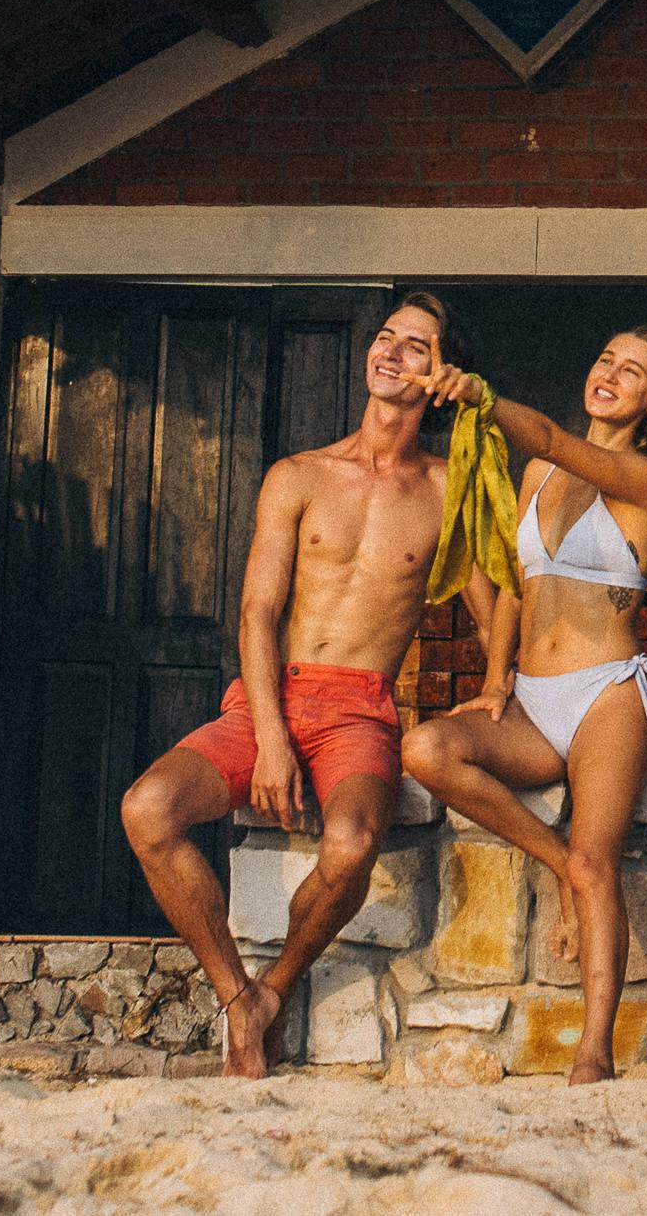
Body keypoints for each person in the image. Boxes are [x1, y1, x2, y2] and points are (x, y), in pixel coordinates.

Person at [118, 291, 452, 1078]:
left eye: (415, 345)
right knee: (148, 808)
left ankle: (276, 985)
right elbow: (257, 611)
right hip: (272, 694)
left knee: (353, 842)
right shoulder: (299, 473)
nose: (390, 351)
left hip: (360, 708)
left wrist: (498, 680)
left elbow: (499, 595)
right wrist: (270, 734)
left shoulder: (446, 491)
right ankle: (241, 998)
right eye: (384, 336)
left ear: (442, 375)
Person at [405, 327, 647, 1084]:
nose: (609, 373)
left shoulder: (645, 480)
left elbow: (546, 434)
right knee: (427, 750)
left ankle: (593, 1051)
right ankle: (556, 865)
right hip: (533, 702)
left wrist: (481, 394)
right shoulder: (537, 470)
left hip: (605, 692)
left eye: (631, 371)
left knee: (597, 858)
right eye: (604, 357)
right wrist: (497, 675)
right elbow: (511, 580)